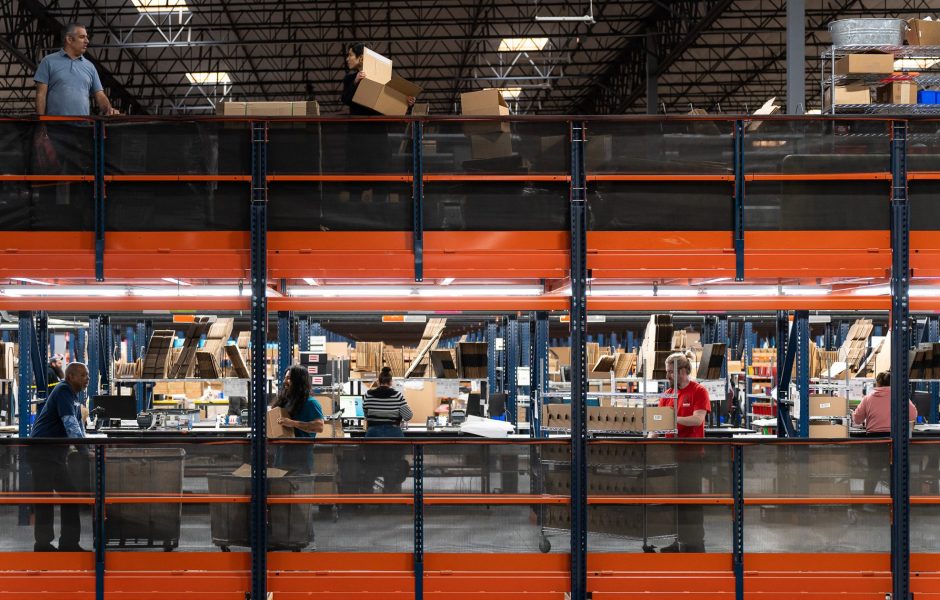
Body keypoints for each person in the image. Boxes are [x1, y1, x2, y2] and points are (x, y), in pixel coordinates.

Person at [29, 362, 90, 552]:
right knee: (45, 498)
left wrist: (86, 447)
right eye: (83, 375)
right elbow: (70, 423)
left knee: (70, 496)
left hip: (54, 454)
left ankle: (69, 543)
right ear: (70, 377)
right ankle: (43, 544)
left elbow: (78, 425)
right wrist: (84, 451)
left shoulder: (73, 395)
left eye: (87, 375)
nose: (87, 378)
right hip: (42, 452)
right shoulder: (63, 390)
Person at [653, 353, 710, 553]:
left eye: (670, 372)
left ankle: (695, 545)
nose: (667, 375)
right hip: (671, 458)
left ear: (683, 371)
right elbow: (658, 424)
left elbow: (697, 420)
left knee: (691, 503)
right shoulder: (667, 395)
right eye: (667, 371)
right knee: (674, 503)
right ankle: (677, 542)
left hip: (691, 458)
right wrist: (649, 438)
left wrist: (672, 420)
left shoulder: (699, 391)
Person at [853, 371, 918, 496]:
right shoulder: (900, 397)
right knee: (896, 470)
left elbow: (857, 420)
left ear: (877, 383)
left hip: (875, 440)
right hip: (895, 439)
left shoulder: (868, 398)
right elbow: (913, 415)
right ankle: (897, 500)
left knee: (873, 471)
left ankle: (867, 500)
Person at [34, 23, 119, 117]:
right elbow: (41, 95)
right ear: (69, 39)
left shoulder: (90, 67)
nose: (87, 41)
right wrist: (41, 124)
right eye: (82, 37)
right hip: (55, 127)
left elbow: (100, 95)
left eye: (87, 37)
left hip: (82, 127)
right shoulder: (48, 61)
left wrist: (109, 109)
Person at [362, 366, 413, 493]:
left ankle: (368, 496)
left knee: (372, 466)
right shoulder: (397, 395)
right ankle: (389, 497)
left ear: (379, 381)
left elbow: (366, 414)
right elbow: (408, 416)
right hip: (393, 435)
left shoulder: (368, 394)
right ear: (391, 382)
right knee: (391, 466)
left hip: (373, 434)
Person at [271, 365, 325, 474]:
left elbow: (319, 427)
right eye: (285, 378)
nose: (285, 381)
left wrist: (293, 423)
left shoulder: (310, 403)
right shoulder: (285, 402)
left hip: (300, 462)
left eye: (289, 378)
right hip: (281, 459)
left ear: (299, 381)